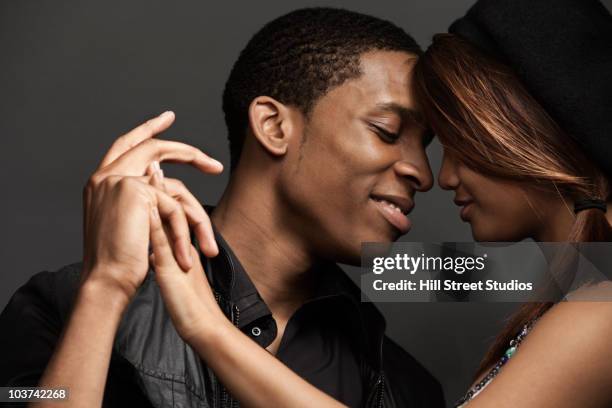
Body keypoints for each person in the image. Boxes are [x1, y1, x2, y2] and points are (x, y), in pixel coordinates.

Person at [115, 0, 612, 407]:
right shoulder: (569, 277)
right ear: (273, 125)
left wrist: (206, 327)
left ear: (520, 134)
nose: (435, 176)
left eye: (455, 143)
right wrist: (110, 280)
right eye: (387, 131)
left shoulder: (597, 308)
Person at [0, 8, 444, 408]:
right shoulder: (60, 305)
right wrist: (106, 288)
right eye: (387, 131)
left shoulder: (404, 386)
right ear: (273, 126)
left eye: (425, 147)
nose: (423, 174)